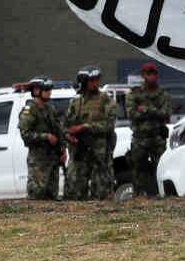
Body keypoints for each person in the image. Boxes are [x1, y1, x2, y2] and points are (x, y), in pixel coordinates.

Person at [64, 65, 117, 200]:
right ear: (84, 82)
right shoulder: (75, 102)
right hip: (79, 153)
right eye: (91, 80)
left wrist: (85, 127)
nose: (95, 83)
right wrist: (70, 136)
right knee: (75, 192)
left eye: (96, 80)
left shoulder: (106, 100)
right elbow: (66, 126)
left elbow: (109, 125)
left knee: (101, 192)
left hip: (99, 154)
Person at [126, 62, 172, 197]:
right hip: (140, 139)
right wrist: (155, 112)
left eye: (153, 74)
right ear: (143, 76)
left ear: (157, 76)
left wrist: (146, 110)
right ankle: (139, 195)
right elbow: (132, 114)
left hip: (158, 138)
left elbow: (166, 114)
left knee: (161, 168)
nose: (151, 77)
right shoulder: (135, 94)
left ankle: (162, 194)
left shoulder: (163, 94)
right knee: (138, 170)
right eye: (148, 74)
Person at [17, 75, 64, 200]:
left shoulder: (50, 109)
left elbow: (58, 130)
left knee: (52, 196)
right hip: (38, 161)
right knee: (37, 196)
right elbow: (26, 135)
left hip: (53, 159)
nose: (49, 93)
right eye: (46, 90)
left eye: (50, 90)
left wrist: (62, 149)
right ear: (37, 91)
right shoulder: (29, 111)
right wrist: (45, 137)